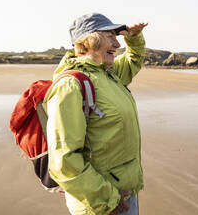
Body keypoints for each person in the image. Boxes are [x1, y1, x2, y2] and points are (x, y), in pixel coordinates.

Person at [44, 12, 148, 215]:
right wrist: (106, 199)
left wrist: (134, 38)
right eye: (111, 36)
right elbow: (63, 160)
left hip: (125, 196)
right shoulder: (70, 85)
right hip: (102, 205)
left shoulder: (107, 73)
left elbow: (133, 60)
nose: (118, 45)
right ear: (90, 40)